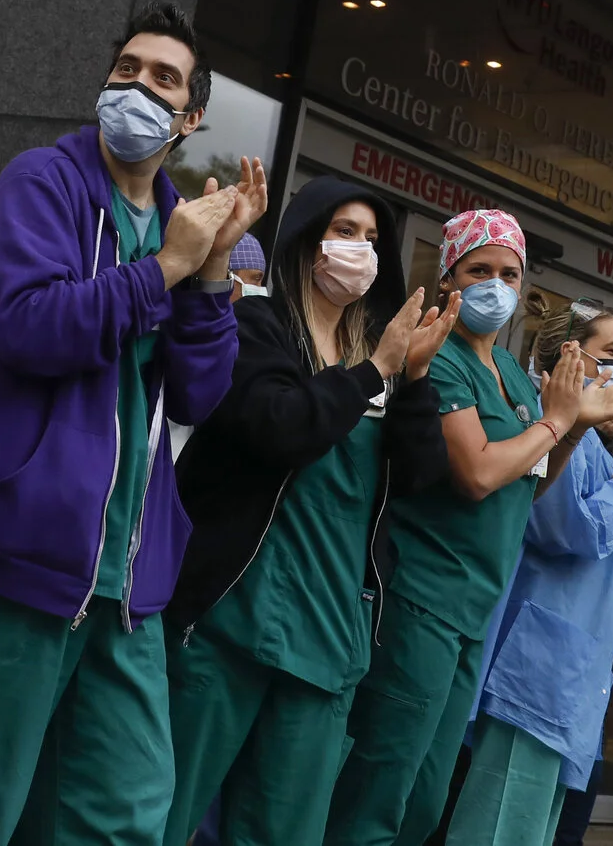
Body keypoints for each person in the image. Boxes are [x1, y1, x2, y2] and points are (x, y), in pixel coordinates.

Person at [0, 3, 261, 846]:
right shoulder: (41, 182)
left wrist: (206, 275)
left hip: (124, 590)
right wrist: (166, 266)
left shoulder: (179, 221)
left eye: (162, 78)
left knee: (126, 816)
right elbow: (26, 324)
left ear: (190, 117)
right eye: (126, 69)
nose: (136, 85)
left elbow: (203, 394)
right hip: (11, 561)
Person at [163, 175, 453, 846]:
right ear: (304, 242)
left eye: (373, 238)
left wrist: (412, 381)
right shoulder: (258, 325)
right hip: (231, 622)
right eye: (345, 231)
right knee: (162, 813)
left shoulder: (375, 353)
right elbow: (280, 426)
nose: (361, 249)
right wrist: (371, 373)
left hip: (328, 645)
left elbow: (419, 477)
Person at [324, 209, 613, 846]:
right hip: (424, 600)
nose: (496, 284)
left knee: (428, 798)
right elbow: (478, 474)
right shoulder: (441, 359)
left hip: (475, 612)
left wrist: (571, 427)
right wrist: (555, 421)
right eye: (478, 270)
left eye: (509, 273)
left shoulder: (514, 376)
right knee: (383, 784)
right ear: (449, 280)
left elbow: (533, 482)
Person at [452, 301, 613, 845]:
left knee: (540, 827)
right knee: (500, 823)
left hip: (571, 665)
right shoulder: (540, 426)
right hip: (537, 662)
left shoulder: (594, 438)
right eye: (611, 353)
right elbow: (564, 529)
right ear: (571, 355)